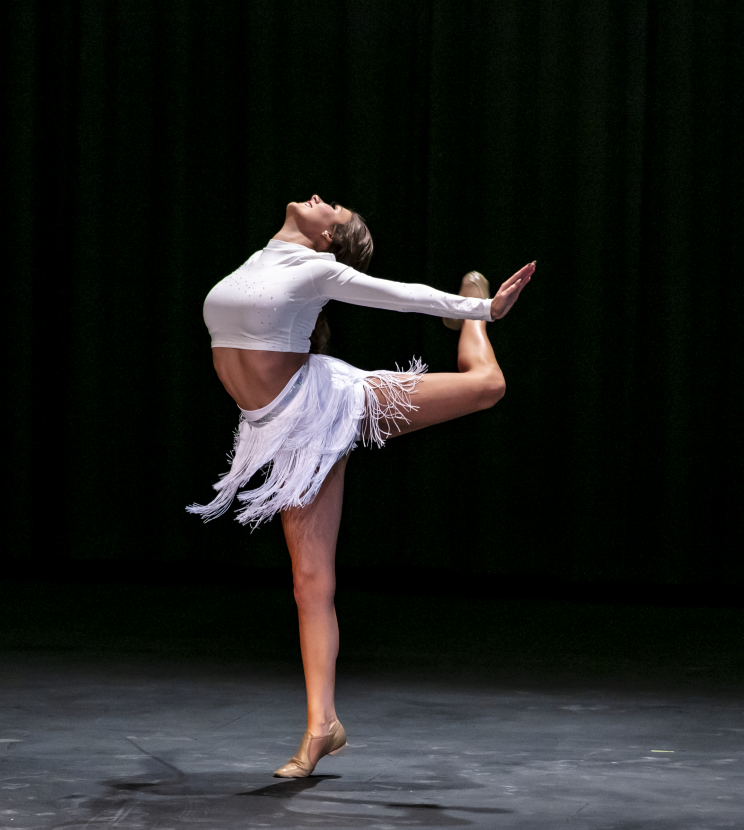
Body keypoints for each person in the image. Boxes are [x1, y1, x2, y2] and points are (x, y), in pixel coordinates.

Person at [188, 194, 533, 778]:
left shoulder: (318, 268)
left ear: (328, 239)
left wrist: (484, 309)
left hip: (329, 403)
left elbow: (399, 295)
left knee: (487, 387)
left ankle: (471, 320)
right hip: (284, 430)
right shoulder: (261, 260)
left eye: (335, 210)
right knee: (309, 584)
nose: (322, 200)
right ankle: (322, 725)